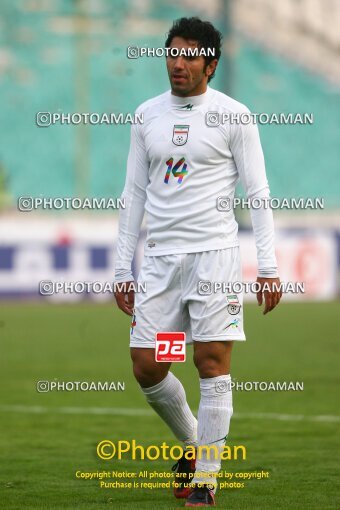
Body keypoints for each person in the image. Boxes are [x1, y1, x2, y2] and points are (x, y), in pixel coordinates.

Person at [114, 16, 282, 507]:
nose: (177, 62)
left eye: (189, 55)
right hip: (162, 268)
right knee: (150, 363)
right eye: (172, 52)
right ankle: (193, 444)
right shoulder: (146, 116)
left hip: (215, 264)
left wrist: (268, 267)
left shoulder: (234, 116)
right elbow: (133, 195)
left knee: (210, 362)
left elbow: (258, 193)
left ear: (211, 63)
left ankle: (205, 482)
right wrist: (124, 268)